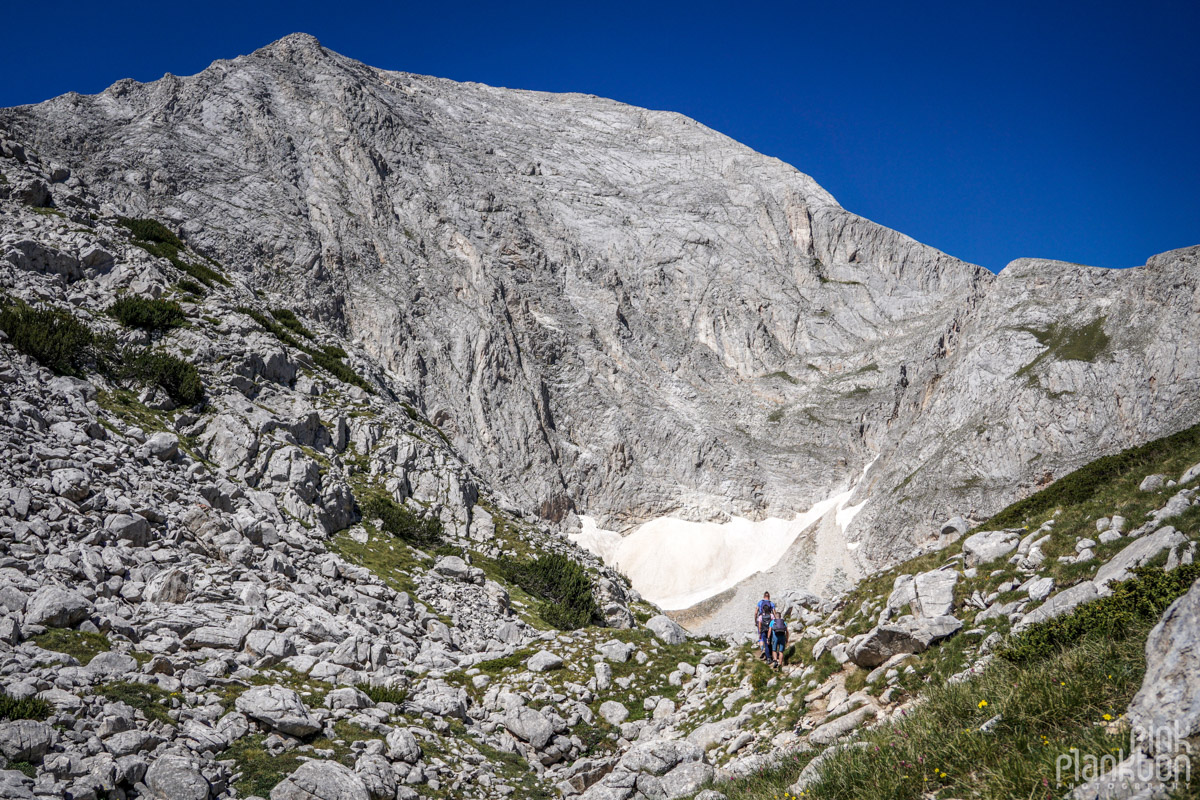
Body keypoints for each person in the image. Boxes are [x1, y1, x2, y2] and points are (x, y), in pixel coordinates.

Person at [754, 592, 774, 660]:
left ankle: (762, 649)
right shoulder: (771, 603)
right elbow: (774, 612)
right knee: (769, 635)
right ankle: (770, 651)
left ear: (763, 596)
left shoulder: (760, 602)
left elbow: (756, 612)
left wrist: (755, 621)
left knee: (761, 636)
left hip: (761, 620)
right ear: (769, 596)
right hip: (769, 620)